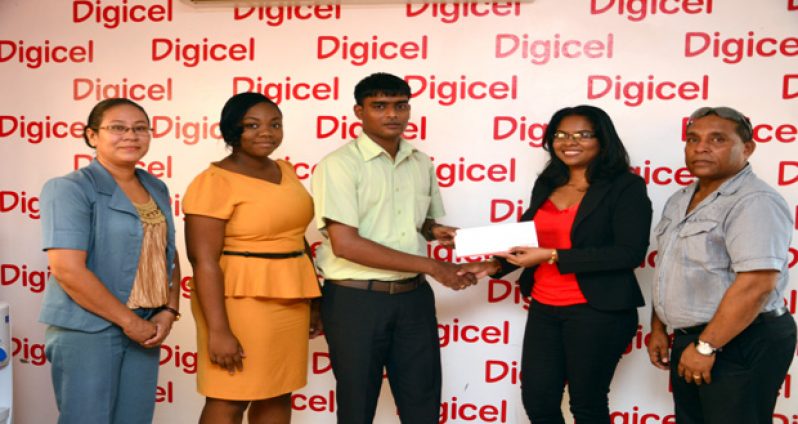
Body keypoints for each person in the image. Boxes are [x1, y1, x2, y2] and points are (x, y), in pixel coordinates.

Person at [462, 105, 652, 424]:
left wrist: (553, 256)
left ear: (602, 140)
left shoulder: (625, 187)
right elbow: (528, 234)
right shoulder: (548, 182)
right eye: (561, 135)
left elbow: (629, 253)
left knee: (587, 405)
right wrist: (492, 266)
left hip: (597, 311)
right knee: (537, 401)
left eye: (582, 134)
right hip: (545, 308)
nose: (569, 142)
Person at [310, 72, 476, 424]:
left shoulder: (420, 161)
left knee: (423, 406)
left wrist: (436, 231)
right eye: (379, 106)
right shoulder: (339, 165)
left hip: (412, 298)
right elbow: (346, 244)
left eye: (400, 105)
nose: (392, 115)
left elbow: (420, 223)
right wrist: (432, 265)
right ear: (359, 111)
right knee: (357, 408)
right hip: (356, 301)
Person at [647, 106, 796, 424]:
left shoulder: (754, 201)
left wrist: (706, 347)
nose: (700, 147)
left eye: (717, 139)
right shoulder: (680, 198)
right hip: (695, 338)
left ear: (747, 148)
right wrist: (659, 328)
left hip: (741, 338)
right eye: (693, 139)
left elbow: (755, 286)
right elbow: (670, 267)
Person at [39, 98, 181, 424]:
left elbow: (167, 254)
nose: (130, 136)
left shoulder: (156, 186)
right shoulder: (69, 189)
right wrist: (129, 323)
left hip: (146, 326)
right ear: (92, 136)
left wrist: (168, 311)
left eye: (140, 128)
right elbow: (67, 269)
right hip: (89, 329)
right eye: (117, 128)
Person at [183, 92, 322, 424]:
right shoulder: (213, 182)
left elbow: (296, 238)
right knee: (231, 395)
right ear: (233, 131)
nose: (267, 132)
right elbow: (202, 261)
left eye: (275, 124)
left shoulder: (285, 171)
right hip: (238, 301)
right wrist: (219, 330)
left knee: (278, 390)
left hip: (290, 298)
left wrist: (316, 300)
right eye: (252, 125)